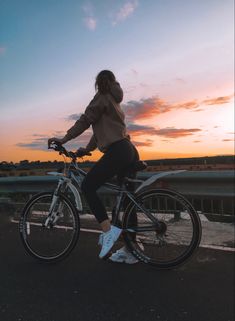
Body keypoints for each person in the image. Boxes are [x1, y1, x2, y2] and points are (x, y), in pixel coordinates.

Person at [48, 70, 139, 263]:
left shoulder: (102, 97)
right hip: (128, 150)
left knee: (88, 186)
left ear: (98, 83)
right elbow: (99, 131)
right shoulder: (114, 100)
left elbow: (86, 120)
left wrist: (64, 138)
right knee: (126, 202)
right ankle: (133, 250)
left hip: (118, 151)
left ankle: (108, 233)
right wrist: (86, 150)